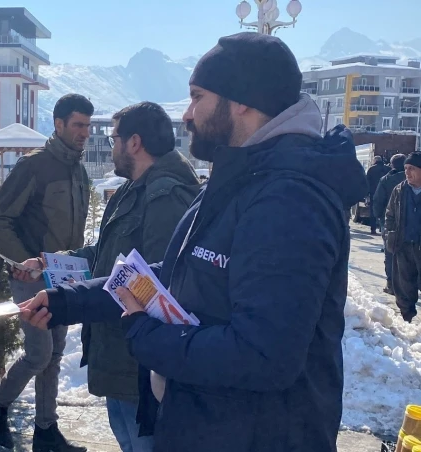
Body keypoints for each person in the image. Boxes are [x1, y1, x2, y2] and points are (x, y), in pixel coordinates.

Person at [20, 32, 367, 452]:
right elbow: (181, 273)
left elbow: (263, 355)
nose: (186, 114)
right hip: (210, 427)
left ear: (242, 100)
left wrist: (143, 333)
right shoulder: (240, 176)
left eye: (197, 96)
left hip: (256, 436)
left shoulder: (288, 198)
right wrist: (69, 301)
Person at [15, 101, 200, 452]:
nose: (110, 146)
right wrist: (49, 263)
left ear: (134, 142)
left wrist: (74, 302)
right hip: (119, 355)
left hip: (140, 368)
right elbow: (106, 256)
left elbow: (158, 286)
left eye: (113, 138)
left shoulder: (166, 196)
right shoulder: (134, 188)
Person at [0, 93, 94, 451]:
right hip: (31, 280)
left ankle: (46, 430)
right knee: (39, 354)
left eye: (88, 126)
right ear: (58, 125)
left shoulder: (79, 169)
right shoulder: (34, 166)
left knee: (55, 356)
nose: (84, 133)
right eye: (78, 125)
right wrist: (23, 260)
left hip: (65, 278)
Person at [384, 152, 421, 323]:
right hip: (403, 244)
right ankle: (407, 318)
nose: (407, 172)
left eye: (412, 168)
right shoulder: (399, 190)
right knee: (404, 285)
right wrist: (390, 233)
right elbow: (389, 214)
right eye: (406, 168)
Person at [373, 153, 407, 294]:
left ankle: (391, 285)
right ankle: (407, 286)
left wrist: (379, 218)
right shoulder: (412, 179)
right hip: (409, 222)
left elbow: (378, 200)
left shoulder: (385, 180)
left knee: (390, 253)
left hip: (389, 222)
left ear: (392, 165)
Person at [366, 155, 391, 234]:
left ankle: (373, 229)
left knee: (373, 211)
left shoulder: (371, 169)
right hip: (386, 193)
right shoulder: (388, 169)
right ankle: (382, 227)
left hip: (373, 193)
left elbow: (367, 182)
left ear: (374, 161)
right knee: (385, 211)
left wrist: (367, 195)